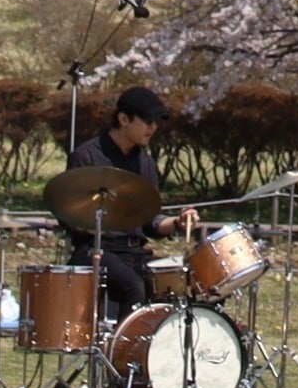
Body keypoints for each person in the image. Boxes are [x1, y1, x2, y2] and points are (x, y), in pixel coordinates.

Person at [64, 85, 200, 314]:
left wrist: (178, 222)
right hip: (97, 251)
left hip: (136, 253)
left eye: (156, 122)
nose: (153, 128)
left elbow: (150, 221)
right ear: (124, 119)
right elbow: (71, 215)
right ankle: (123, 339)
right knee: (134, 287)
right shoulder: (86, 156)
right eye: (148, 121)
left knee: (184, 282)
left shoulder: (146, 164)